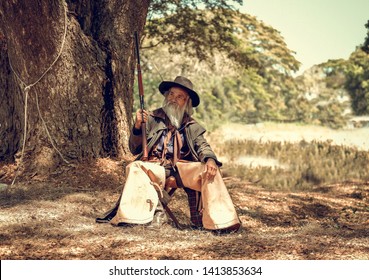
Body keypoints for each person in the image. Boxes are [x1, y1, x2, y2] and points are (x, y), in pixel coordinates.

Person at [97, 76, 240, 233]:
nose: (174, 99)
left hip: (181, 169)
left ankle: (222, 222)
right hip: (155, 167)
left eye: (180, 97)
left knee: (210, 170)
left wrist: (210, 160)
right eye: (171, 94)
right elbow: (134, 148)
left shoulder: (191, 126)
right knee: (135, 167)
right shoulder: (150, 118)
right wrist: (138, 126)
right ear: (166, 96)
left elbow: (203, 146)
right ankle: (140, 217)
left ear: (187, 103)